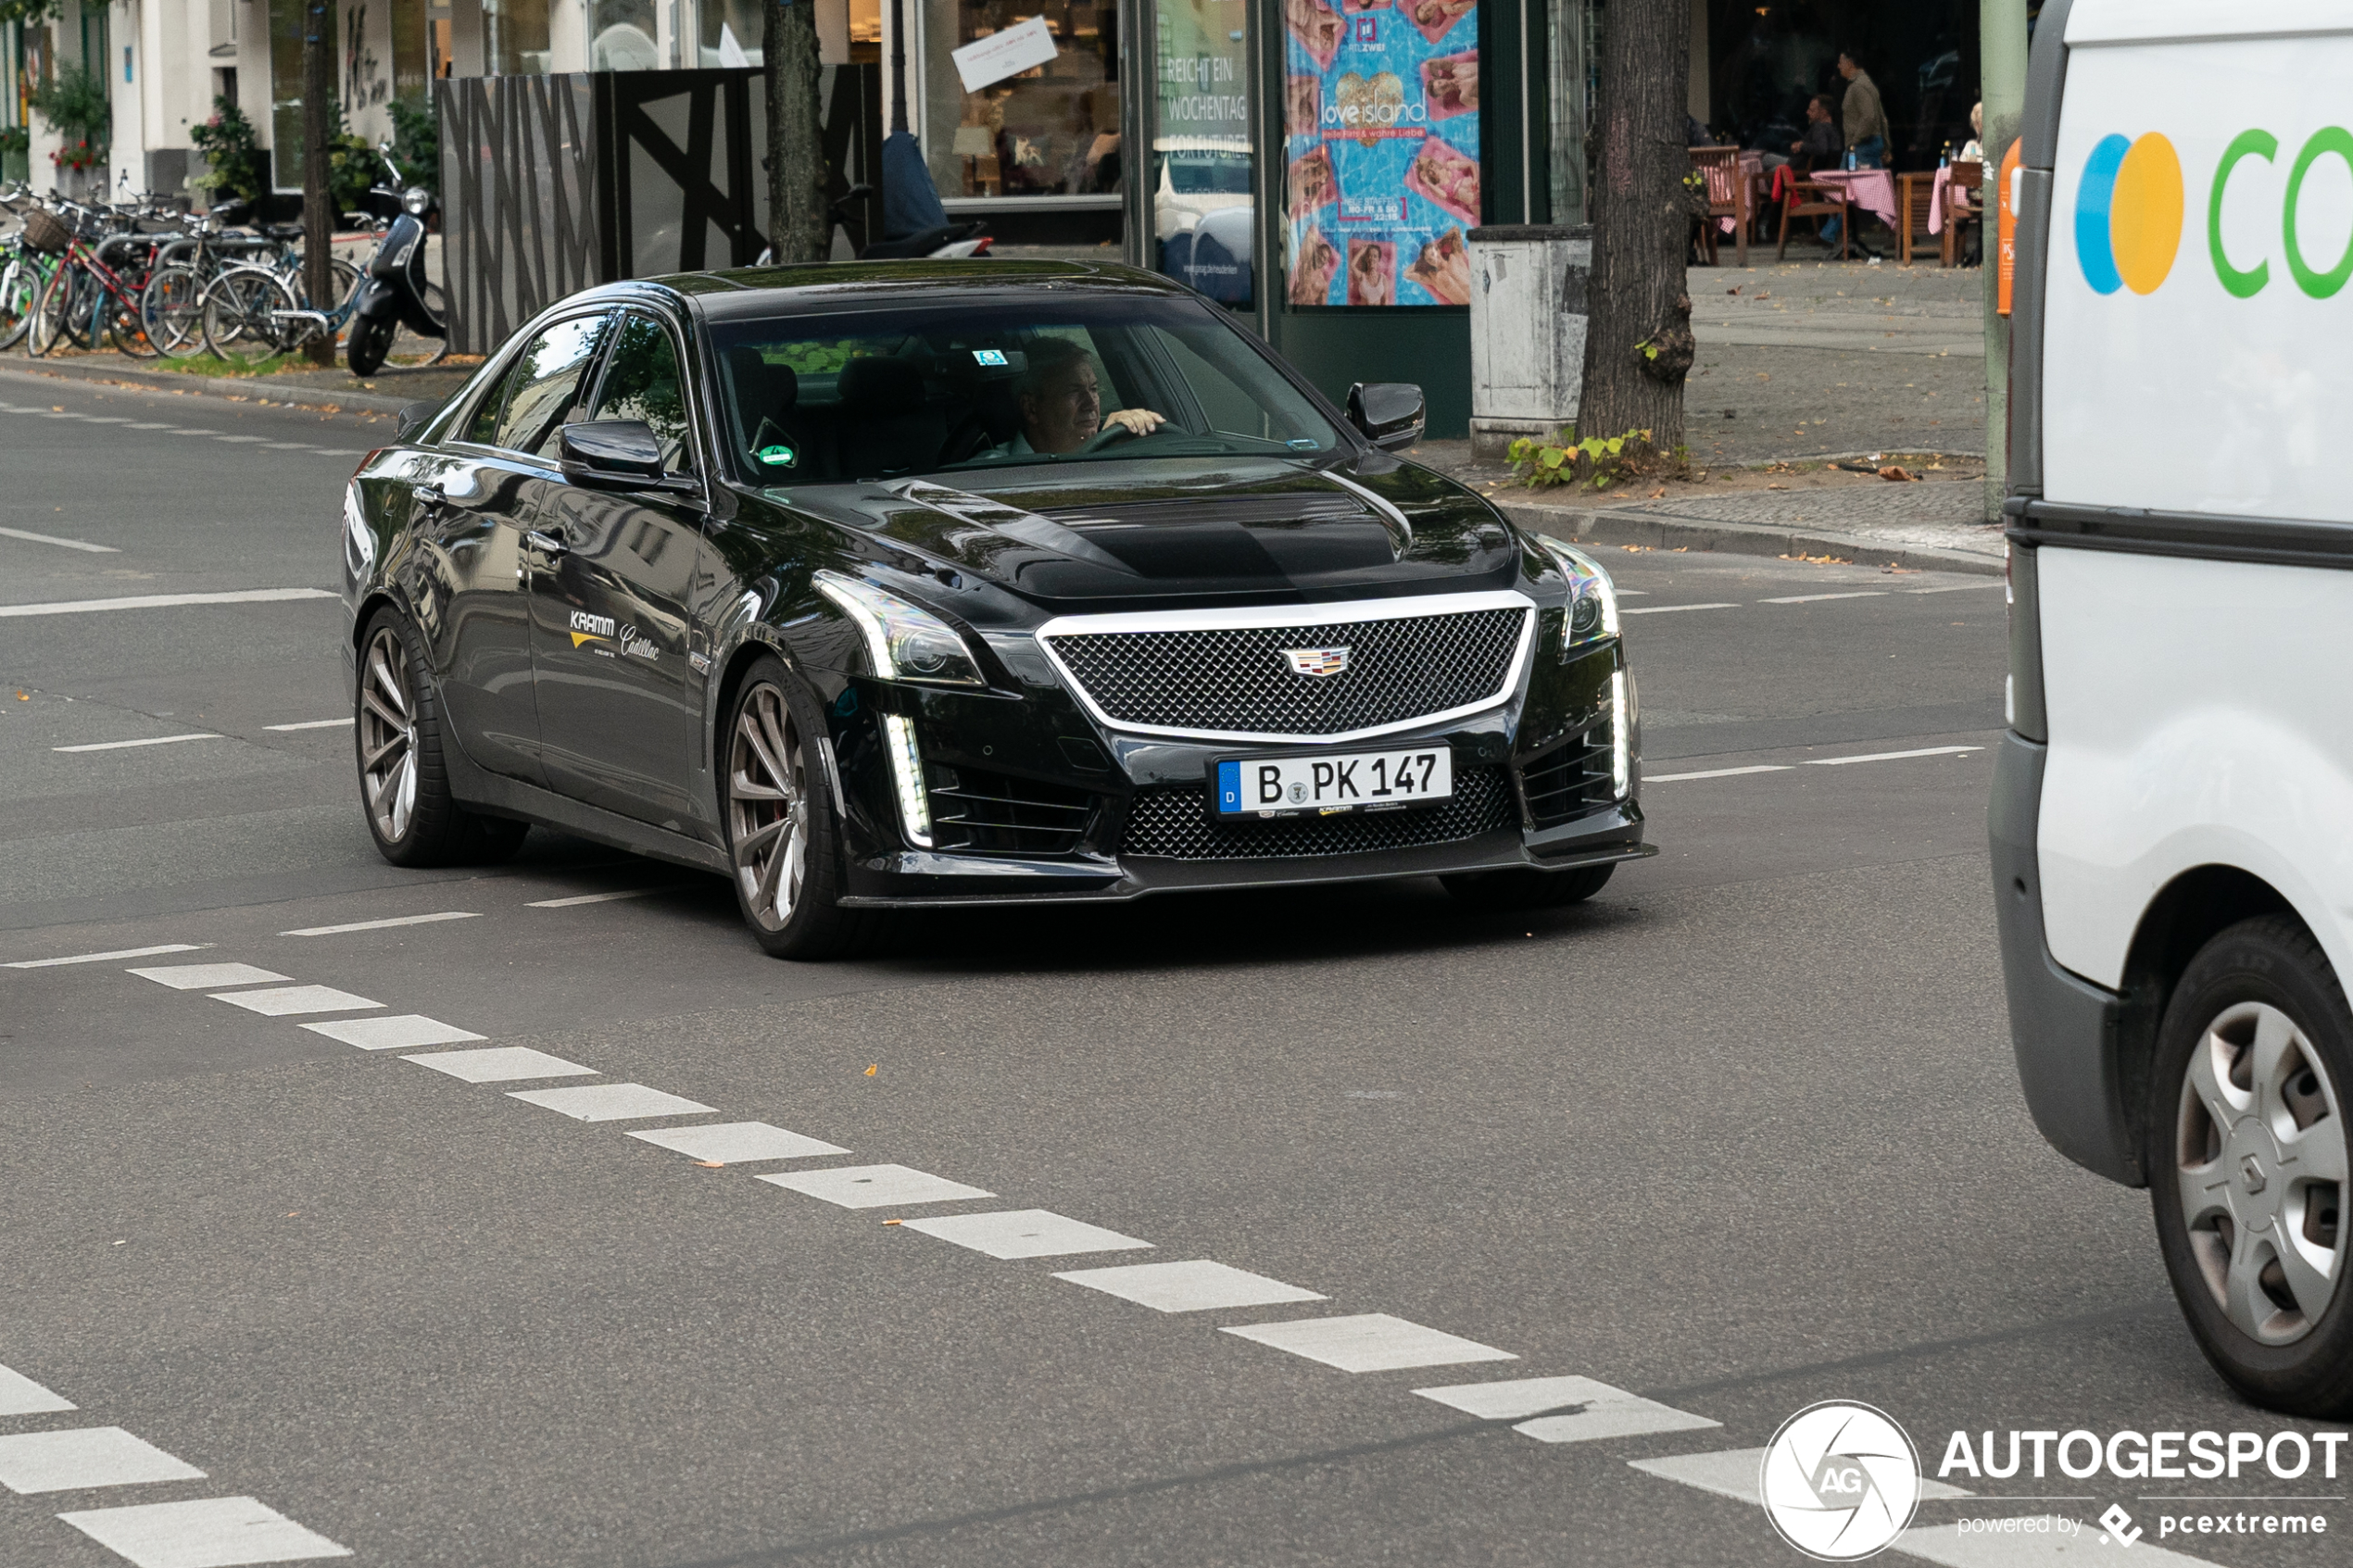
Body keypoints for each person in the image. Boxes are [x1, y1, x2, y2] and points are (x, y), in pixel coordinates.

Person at [987, 338, 1164, 457]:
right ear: (1031, 408)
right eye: (1073, 391)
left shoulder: (1115, 447)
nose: (1091, 403)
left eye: (1093, 389)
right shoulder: (987, 476)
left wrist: (1125, 447)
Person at [1838, 50, 1889, 169]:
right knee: (1843, 186)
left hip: (1862, 147)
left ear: (1850, 63)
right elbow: (1882, 118)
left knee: (1865, 187)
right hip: (1861, 147)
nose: (1838, 66)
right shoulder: (1864, 84)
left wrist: (1855, 141)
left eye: (1840, 62)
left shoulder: (1859, 86)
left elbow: (1869, 117)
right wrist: (1886, 145)